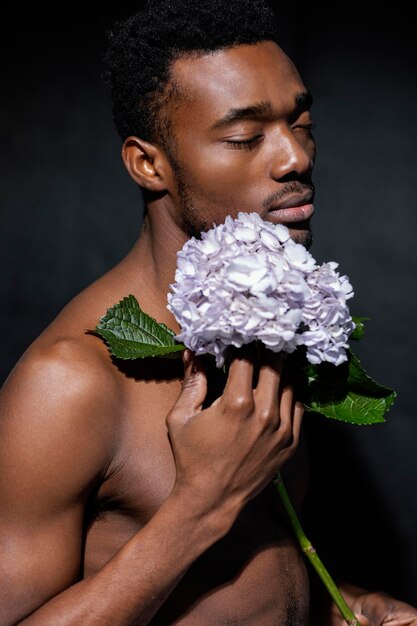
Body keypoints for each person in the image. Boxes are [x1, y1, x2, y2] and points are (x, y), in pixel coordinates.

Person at [1, 1, 416, 624]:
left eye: (301, 123)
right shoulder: (70, 383)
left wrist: (344, 605)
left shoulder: (269, 323)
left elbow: (243, 566)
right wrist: (201, 505)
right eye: (246, 137)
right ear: (149, 163)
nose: (294, 159)